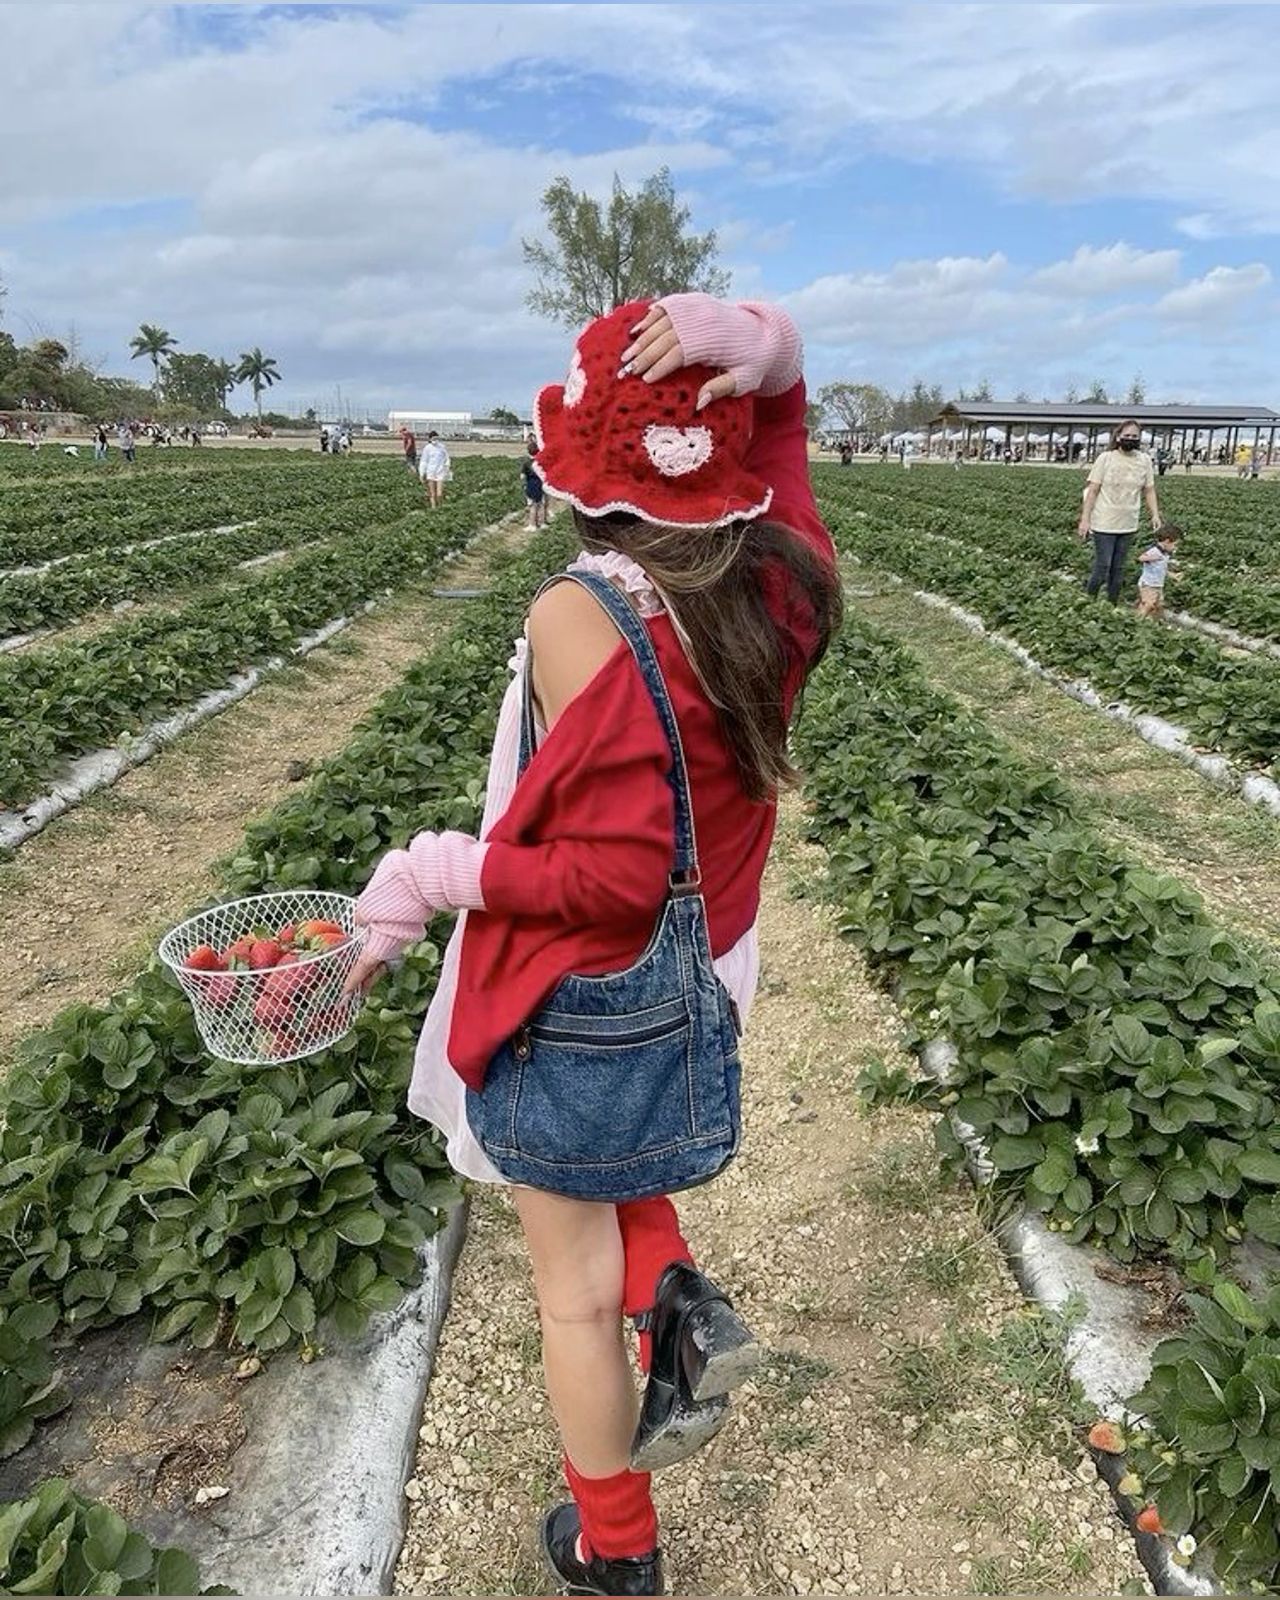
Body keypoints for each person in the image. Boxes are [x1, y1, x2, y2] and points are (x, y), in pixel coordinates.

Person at [342, 293, 840, 1596]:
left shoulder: (583, 616)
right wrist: (771, 358)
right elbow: (783, 444)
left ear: (582, 471)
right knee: (617, 1150)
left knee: (568, 1290)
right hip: (704, 967)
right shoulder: (784, 581)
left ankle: (614, 1549)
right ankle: (675, 1296)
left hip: (585, 984)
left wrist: (430, 872)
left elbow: (611, 880)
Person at [1078, 419, 1161, 603]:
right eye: (1127, 436)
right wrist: (1085, 519)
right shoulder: (1106, 458)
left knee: (1119, 568)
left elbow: (1149, 490)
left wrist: (1155, 514)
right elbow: (1092, 490)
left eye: (1135, 436)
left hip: (1128, 522)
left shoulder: (1144, 460)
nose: (1130, 439)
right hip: (1104, 521)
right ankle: (1087, 602)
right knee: (1103, 565)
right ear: (1118, 436)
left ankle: (1111, 604)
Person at [1136, 523, 1182, 617]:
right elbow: (1141, 558)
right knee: (1148, 604)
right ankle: (1137, 620)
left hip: (1158, 585)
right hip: (1148, 584)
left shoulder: (1165, 554)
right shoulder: (1154, 551)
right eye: (1174, 544)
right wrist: (1152, 558)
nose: (1175, 548)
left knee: (1158, 605)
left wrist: (1173, 575)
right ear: (1167, 541)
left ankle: (1151, 623)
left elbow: (1162, 569)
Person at [418, 430, 451, 507]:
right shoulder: (427, 448)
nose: (435, 440)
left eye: (436, 438)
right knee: (432, 494)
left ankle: (440, 506)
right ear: (429, 439)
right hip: (430, 472)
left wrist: (447, 467)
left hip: (440, 472)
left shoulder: (442, 447)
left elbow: (447, 458)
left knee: (439, 494)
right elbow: (424, 461)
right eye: (433, 439)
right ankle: (434, 508)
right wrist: (421, 473)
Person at [520, 450, 546, 528]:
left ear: (529, 452)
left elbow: (522, 477)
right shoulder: (541, 462)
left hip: (531, 486)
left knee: (532, 506)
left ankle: (532, 525)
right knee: (541, 504)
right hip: (540, 485)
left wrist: (524, 484)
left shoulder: (527, 463)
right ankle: (542, 524)